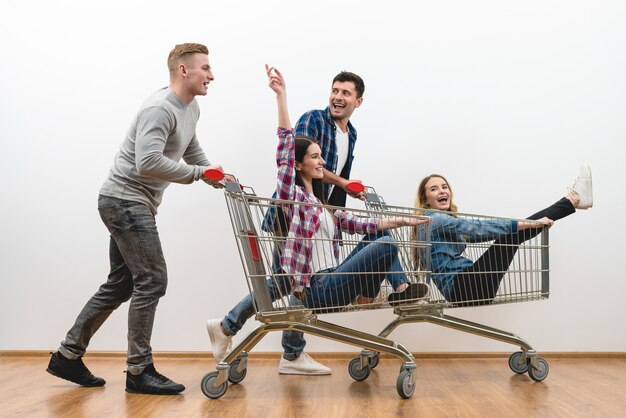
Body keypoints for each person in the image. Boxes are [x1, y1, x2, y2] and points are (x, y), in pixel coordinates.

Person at [206, 67, 425, 375]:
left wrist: (402, 220)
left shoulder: (323, 192)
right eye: (335, 90)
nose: (338, 97)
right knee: (287, 281)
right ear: (300, 163)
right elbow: (287, 147)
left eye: (345, 92)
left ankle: (235, 329)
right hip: (294, 225)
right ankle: (292, 348)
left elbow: (358, 217)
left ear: (357, 101)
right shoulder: (308, 140)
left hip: (322, 228)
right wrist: (281, 97)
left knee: (282, 281)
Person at [46, 43, 232, 395]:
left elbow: (191, 149)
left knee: (122, 284)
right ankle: (139, 370)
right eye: (205, 68)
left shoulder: (190, 109)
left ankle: (67, 355)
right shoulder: (159, 108)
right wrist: (196, 174)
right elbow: (147, 162)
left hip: (133, 203)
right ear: (183, 70)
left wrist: (214, 173)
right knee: (152, 279)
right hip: (124, 201)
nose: (211, 75)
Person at [414, 167, 593, 304]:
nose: (442, 191)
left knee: (510, 235)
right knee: (509, 235)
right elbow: (479, 227)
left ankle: (570, 201)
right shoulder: (435, 220)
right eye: (434, 189)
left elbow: (479, 235)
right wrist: (531, 225)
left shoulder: (434, 223)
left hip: (466, 287)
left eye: (444, 187)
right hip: (464, 287)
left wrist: (535, 226)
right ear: (425, 199)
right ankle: (572, 200)